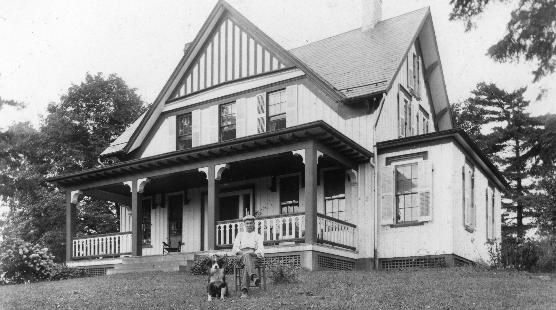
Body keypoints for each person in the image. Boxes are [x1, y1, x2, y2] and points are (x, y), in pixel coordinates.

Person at [231, 214, 264, 298]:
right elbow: (235, 248)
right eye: (247, 223)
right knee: (246, 257)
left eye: (251, 223)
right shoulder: (240, 235)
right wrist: (244, 253)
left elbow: (260, 250)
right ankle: (253, 276)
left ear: (254, 224)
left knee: (247, 263)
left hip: (253, 257)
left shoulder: (258, 236)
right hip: (241, 257)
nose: (249, 225)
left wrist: (252, 253)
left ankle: (244, 291)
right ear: (244, 225)